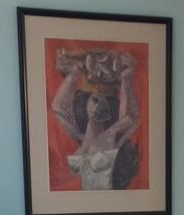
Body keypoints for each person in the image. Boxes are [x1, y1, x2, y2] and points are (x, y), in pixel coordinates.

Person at [51, 47, 140, 190]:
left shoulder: (106, 137)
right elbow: (58, 107)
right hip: (93, 195)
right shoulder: (91, 137)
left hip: (105, 193)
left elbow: (130, 118)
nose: (97, 106)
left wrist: (126, 79)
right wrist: (72, 76)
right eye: (96, 100)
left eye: (98, 101)